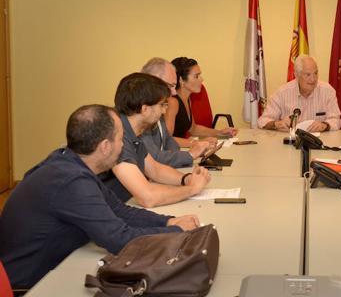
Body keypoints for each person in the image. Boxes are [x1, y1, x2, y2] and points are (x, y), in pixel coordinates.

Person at [0, 105, 200, 289]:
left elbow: (120, 211)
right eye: (121, 139)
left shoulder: (70, 163)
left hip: (53, 268)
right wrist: (175, 232)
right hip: (31, 287)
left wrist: (168, 222)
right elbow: (119, 240)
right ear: (105, 146)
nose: (123, 146)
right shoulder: (71, 180)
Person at [101, 73, 211, 207]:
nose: (164, 111)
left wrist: (187, 179)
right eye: (162, 105)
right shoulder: (117, 136)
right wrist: (192, 189)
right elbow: (147, 198)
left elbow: (154, 170)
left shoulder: (130, 128)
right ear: (145, 109)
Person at [140, 57, 218, 167]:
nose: (173, 92)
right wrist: (191, 152)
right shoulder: (144, 117)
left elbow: (168, 141)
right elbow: (156, 159)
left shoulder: (158, 110)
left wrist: (219, 133)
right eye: (170, 85)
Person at [165, 57, 238, 148]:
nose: (201, 79)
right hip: (170, 154)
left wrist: (220, 133)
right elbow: (166, 139)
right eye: (196, 76)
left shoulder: (187, 99)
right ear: (181, 80)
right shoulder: (173, 102)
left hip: (181, 150)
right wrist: (196, 143)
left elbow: (193, 129)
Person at [258, 55, 341, 132]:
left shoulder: (327, 91)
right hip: (289, 144)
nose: (313, 79)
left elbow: (336, 120)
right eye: (308, 75)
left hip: (319, 143)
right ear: (296, 75)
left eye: (315, 73)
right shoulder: (282, 93)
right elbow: (263, 121)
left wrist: (325, 125)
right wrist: (277, 124)